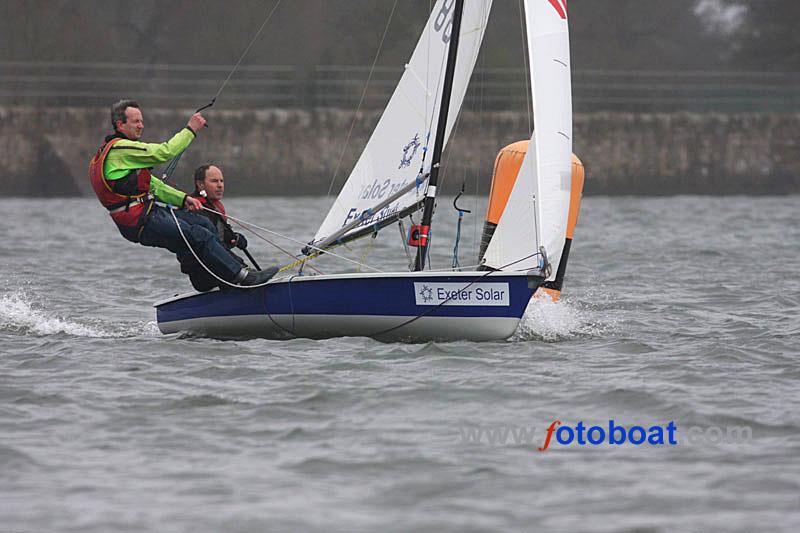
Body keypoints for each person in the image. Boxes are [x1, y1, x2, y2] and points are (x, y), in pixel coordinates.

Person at [88, 99, 277, 287]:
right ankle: (239, 278)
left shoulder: (117, 154)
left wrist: (183, 199)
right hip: (140, 221)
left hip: (147, 213)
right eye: (136, 121)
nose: (141, 126)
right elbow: (164, 152)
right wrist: (191, 129)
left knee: (202, 223)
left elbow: (153, 186)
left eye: (142, 121)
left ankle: (229, 274)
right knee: (198, 236)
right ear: (120, 124)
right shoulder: (120, 149)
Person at [178, 163, 253, 292]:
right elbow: (210, 245)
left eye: (221, 181)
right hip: (203, 274)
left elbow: (222, 237)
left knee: (246, 274)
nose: (220, 185)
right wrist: (240, 265)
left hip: (220, 268)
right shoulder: (192, 210)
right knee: (245, 274)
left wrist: (235, 238)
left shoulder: (214, 207)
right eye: (214, 181)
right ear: (200, 185)